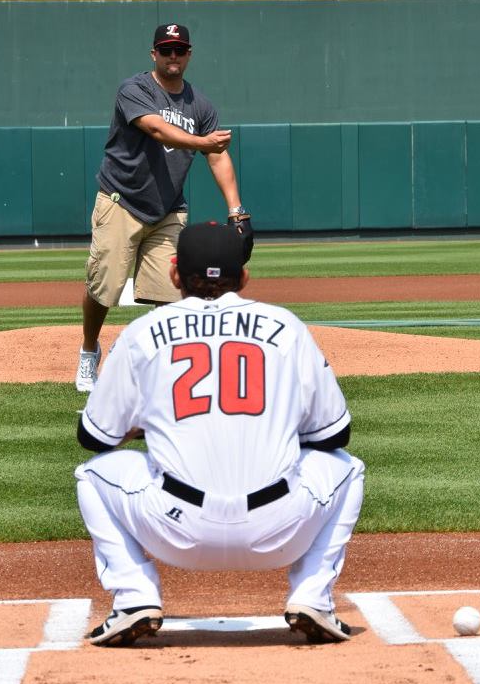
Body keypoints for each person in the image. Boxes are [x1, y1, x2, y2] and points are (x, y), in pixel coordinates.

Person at [74, 221, 365, 648]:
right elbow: (336, 434)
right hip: (280, 529)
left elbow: (93, 437)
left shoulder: (142, 333)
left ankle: (134, 596)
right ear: (243, 277)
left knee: (93, 474)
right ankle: (313, 596)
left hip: (175, 531)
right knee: (348, 468)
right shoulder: (285, 326)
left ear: (174, 274)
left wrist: (151, 425)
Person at [76, 22, 252, 393]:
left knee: (170, 297)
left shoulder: (199, 104)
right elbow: (156, 129)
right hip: (120, 202)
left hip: (168, 209)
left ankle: (158, 368)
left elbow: (218, 158)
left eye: (180, 50)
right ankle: (89, 351)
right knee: (103, 288)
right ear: (153, 54)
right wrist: (202, 141)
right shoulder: (134, 89)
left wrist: (237, 210)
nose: (173, 56)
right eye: (166, 49)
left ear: (189, 55)